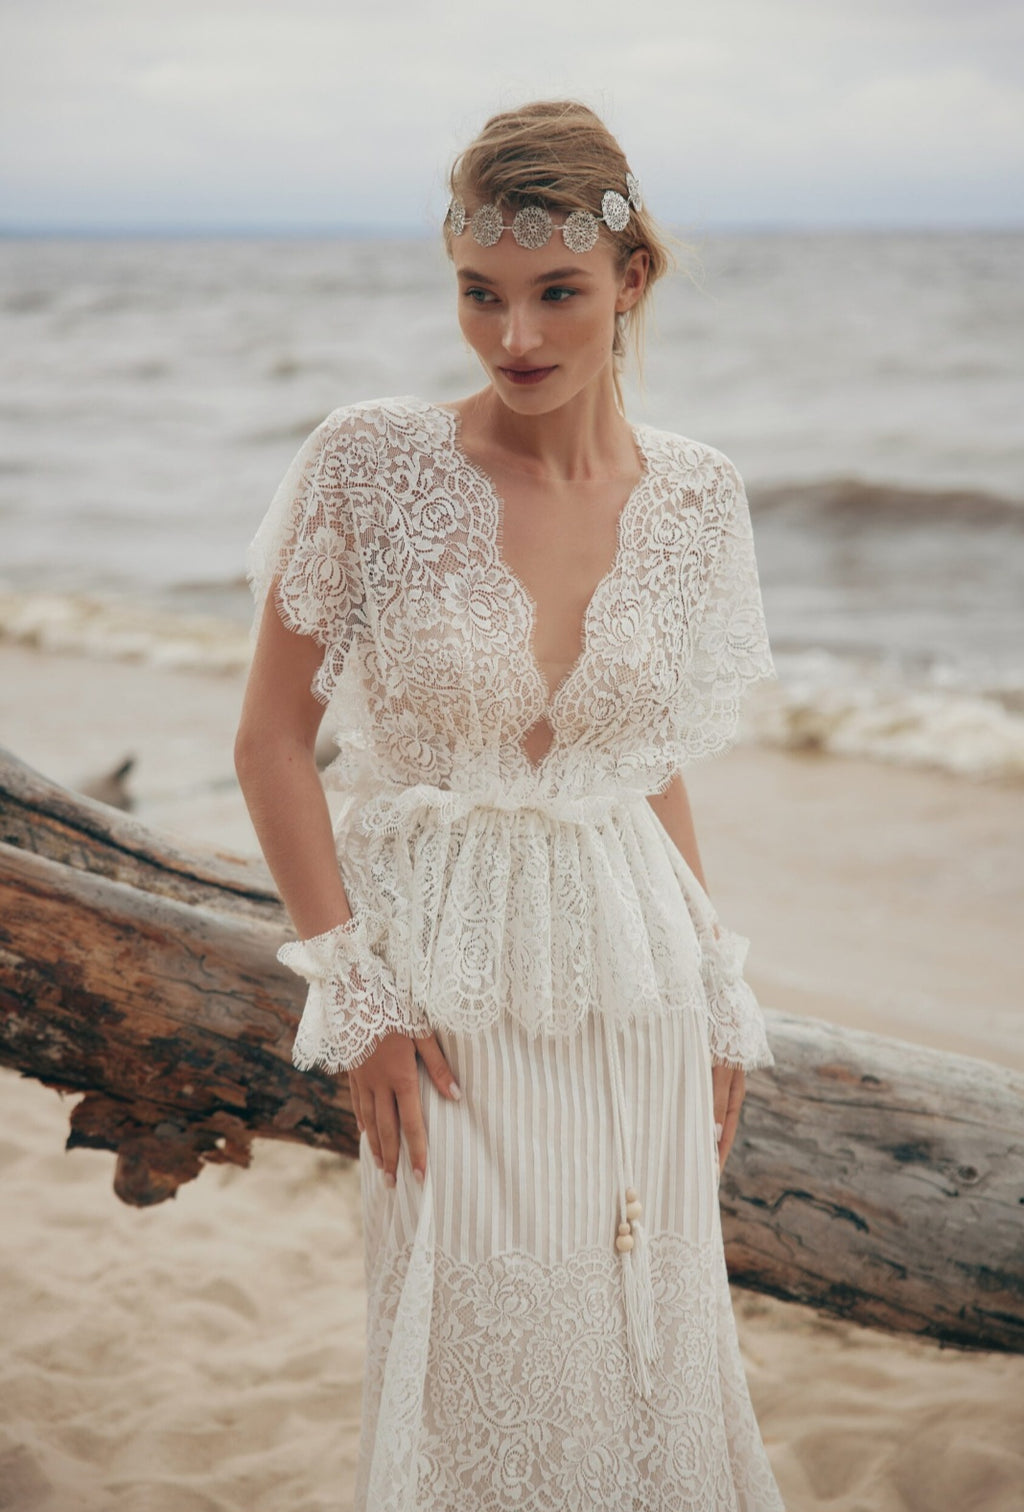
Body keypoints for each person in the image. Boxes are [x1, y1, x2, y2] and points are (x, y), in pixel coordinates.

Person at [235, 98, 786, 1512]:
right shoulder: (371, 461)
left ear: (631, 281)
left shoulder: (700, 497)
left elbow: (646, 761)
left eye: (557, 295)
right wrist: (350, 992)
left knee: (638, 1331)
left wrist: (718, 982)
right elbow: (271, 748)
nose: (516, 338)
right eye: (481, 296)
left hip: (636, 970)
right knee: (465, 1336)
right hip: (441, 975)